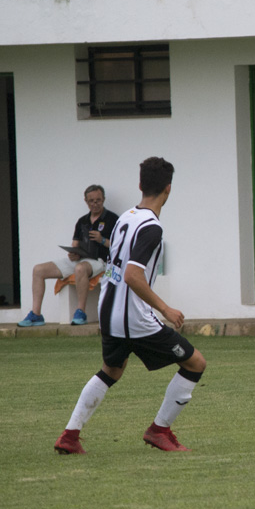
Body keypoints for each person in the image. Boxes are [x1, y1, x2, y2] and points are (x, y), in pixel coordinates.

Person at [54, 158, 205, 454]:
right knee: (195, 363)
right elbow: (133, 275)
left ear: (139, 185)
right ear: (168, 189)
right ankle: (159, 430)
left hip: (109, 311)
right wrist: (165, 309)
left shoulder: (125, 217)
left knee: (111, 370)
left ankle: (69, 436)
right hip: (133, 317)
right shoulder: (152, 228)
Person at [18, 185, 118, 327]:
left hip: (100, 261)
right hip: (81, 260)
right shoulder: (82, 221)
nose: (95, 204)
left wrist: (102, 240)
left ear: (104, 200)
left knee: (80, 269)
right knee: (38, 270)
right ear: (86, 201)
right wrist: (73, 254)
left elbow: (119, 246)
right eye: (91, 201)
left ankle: (80, 312)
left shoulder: (113, 219)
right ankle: (36, 314)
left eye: (98, 200)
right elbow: (75, 244)